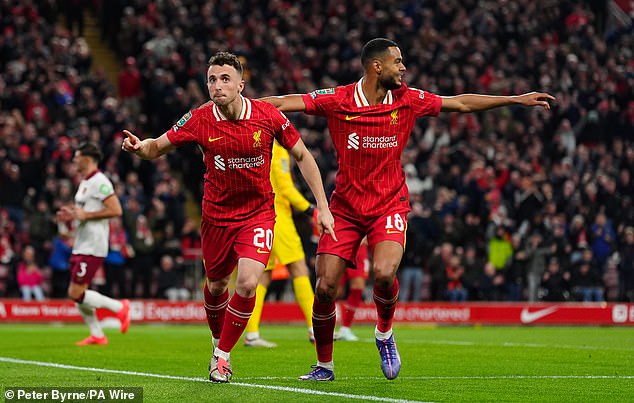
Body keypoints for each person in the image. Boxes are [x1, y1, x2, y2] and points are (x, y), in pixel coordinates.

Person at [262, 37, 554, 381]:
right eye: (397, 61)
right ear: (376, 66)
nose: (403, 68)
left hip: (389, 204)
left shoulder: (408, 99)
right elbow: (283, 102)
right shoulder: (339, 99)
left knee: (384, 273)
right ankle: (324, 366)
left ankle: (384, 333)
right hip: (345, 209)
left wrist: (513, 100)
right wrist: (236, 107)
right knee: (325, 286)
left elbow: (459, 103)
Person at [121, 51, 335, 383]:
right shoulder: (198, 118)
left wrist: (321, 204)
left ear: (240, 84)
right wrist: (140, 147)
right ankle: (217, 342)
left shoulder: (267, 115)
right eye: (212, 79)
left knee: (248, 283)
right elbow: (157, 147)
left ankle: (221, 357)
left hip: (259, 215)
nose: (217, 86)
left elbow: (303, 155)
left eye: (224, 79)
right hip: (217, 218)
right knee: (216, 285)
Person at [243, 140, 318, 348]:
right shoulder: (277, 150)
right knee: (299, 268)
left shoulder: (257, 146)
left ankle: (251, 333)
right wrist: (311, 209)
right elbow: (285, 187)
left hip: (260, 216)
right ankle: (315, 328)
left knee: (263, 277)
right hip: (279, 219)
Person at [55, 142, 131, 346]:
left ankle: (119, 307)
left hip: (93, 244)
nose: (73, 160)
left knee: (75, 292)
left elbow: (116, 210)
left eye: (76, 156)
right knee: (79, 292)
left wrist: (86, 215)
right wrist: (71, 214)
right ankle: (97, 334)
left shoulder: (100, 181)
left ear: (87, 158)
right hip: (81, 243)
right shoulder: (85, 182)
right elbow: (84, 211)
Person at [334, 239, 369, 342]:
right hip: (341, 246)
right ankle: (325, 326)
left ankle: (345, 328)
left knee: (358, 287)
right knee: (335, 290)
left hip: (360, 250)